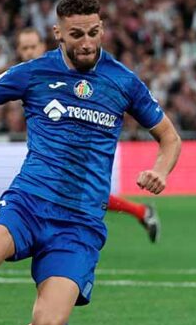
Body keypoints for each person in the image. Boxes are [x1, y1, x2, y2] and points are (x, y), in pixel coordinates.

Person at [0, 0, 181, 325]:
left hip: (79, 222)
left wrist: (161, 171)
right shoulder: (33, 73)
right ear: (58, 33)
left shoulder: (124, 82)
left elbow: (169, 137)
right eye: (76, 34)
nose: (87, 43)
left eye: (93, 32)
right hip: (29, 201)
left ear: (102, 29)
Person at [15, 28, 162, 242]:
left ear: (43, 45)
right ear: (18, 51)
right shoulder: (24, 77)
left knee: (84, 195)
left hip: (79, 148)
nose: (29, 52)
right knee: (79, 195)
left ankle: (140, 212)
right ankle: (141, 212)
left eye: (33, 46)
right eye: (24, 48)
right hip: (51, 153)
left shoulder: (63, 70)